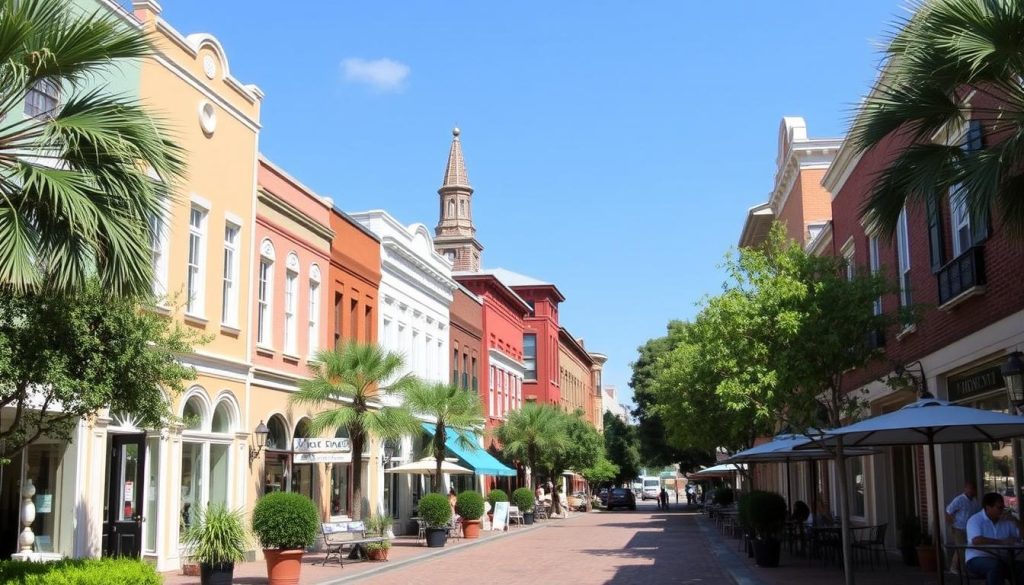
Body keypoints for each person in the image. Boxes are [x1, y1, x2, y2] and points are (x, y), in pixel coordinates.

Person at [965, 492, 1024, 585]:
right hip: (977, 558)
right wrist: (1002, 542)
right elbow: (977, 540)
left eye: (1003, 507)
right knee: (995, 566)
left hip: (1002, 559)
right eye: (999, 508)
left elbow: (1021, 537)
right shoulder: (975, 520)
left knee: (1021, 568)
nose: (1002, 510)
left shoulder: (1006, 520)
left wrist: (1016, 521)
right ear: (988, 508)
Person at [946, 481, 981, 575]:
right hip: (959, 528)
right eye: (969, 488)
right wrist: (951, 525)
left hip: (970, 529)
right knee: (961, 549)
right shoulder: (959, 500)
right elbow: (949, 511)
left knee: (963, 548)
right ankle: (961, 568)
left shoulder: (974, 501)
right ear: (965, 489)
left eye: (972, 489)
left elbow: (978, 513)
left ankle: (955, 566)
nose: (971, 490)